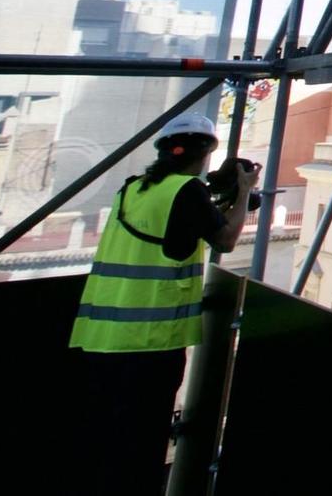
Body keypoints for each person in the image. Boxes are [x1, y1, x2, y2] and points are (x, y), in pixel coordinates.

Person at [69, 109, 258, 493]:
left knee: (102, 440)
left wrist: (217, 198)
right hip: (150, 342)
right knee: (140, 446)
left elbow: (175, 232)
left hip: (102, 336)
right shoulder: (185, 191)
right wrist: (243, 191)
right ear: (204, 154)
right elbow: (226, 239)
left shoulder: (134, 188)